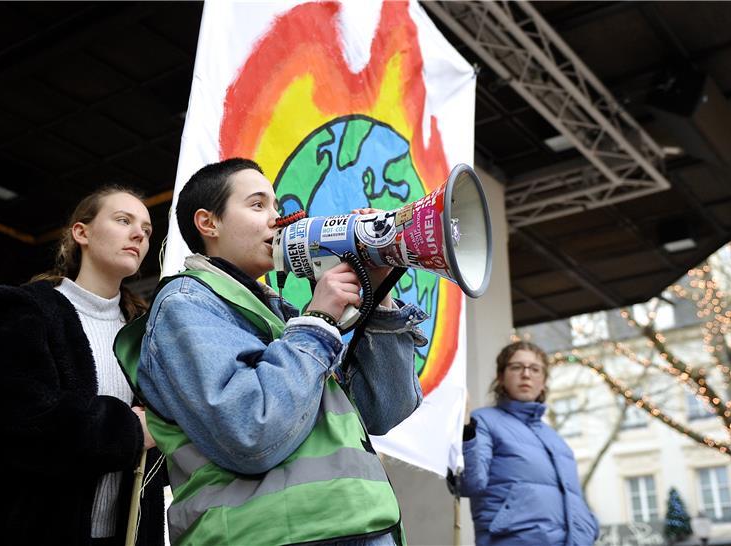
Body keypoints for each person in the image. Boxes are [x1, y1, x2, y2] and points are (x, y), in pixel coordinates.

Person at [117, 157, 428, 546]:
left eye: (277, 206)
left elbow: (384, 410)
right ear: (208, 222)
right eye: (257, 205)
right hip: (276, 534)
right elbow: (250, 431)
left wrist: (380, 295)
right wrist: (318, 322)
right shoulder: (186, 303)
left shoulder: (281, 318)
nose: (278, 219)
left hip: (357, 525)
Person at [0, 186, 166, 546]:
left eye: (147, 230)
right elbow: (12, 420)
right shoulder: (26, 311)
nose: (139, 233)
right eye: (123, 220)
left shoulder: (146, 333)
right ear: (81, 232)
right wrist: (129, 430)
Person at [459, 341, 599, 546]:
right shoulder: (483, 421)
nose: (526, 374)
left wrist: (590, 528)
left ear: (543, 381)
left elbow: (574, 498)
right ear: (500, 376)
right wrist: (465, 430)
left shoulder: (556, 440)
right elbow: (469, 483)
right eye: (516, 367)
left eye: (535, 369)